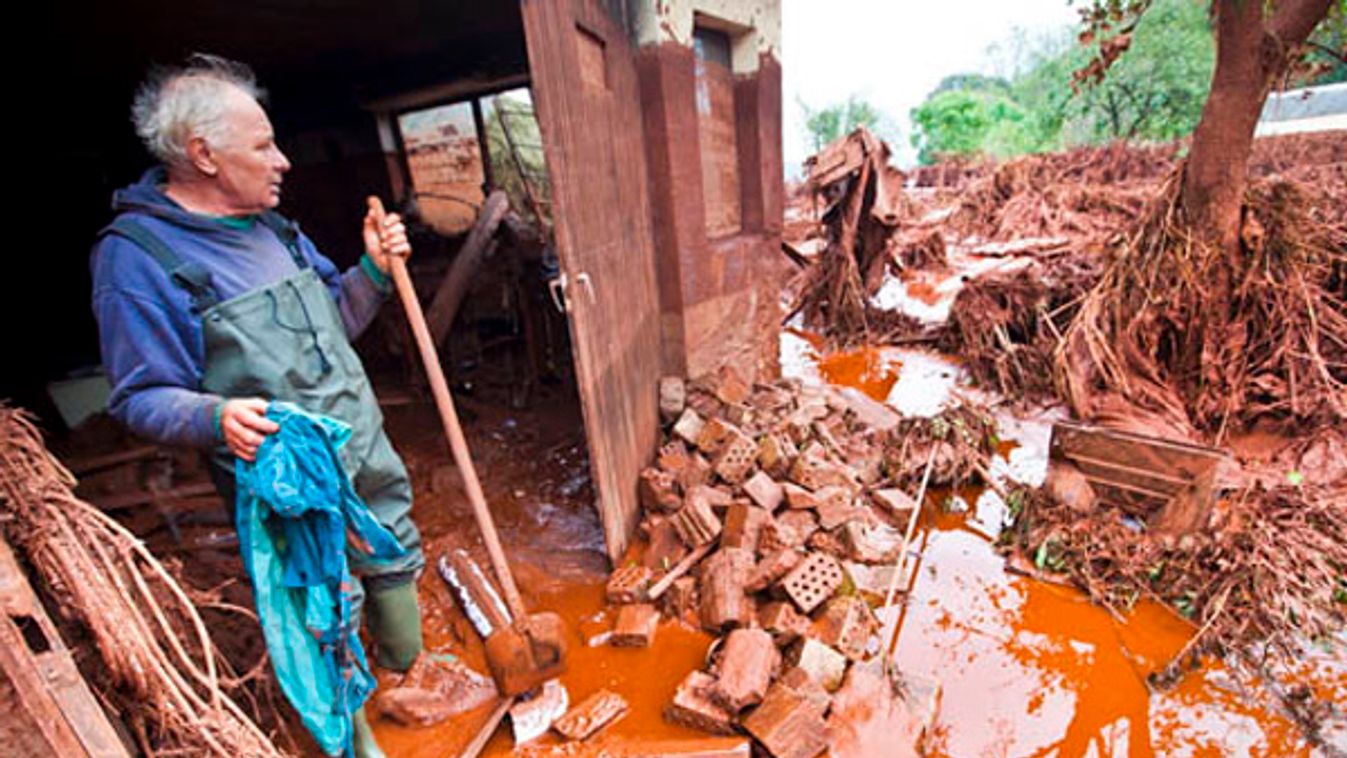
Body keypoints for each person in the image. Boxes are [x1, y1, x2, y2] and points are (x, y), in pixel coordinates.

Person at [91, 54, 423, 756]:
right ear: (203, 154)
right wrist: (214, 417)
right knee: (320, 604)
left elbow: (338, 321)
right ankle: (356, 741)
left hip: (362, 452)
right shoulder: (137, 258)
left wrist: (371, 269)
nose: (283, 162)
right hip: (286, 485)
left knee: (393, 578)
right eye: (263, 145)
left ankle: (406, 675)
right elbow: (137, 396)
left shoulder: (276, 229)